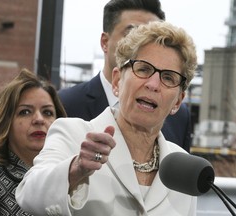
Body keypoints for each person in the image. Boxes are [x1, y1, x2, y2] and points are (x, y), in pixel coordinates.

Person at [16, 21, 197, 215]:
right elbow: (29, 194)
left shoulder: (184, 168)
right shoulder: (73, 134)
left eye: (168, 77)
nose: (153, 84)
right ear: (118, 81)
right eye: (143, 69)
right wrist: (76, 169)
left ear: (178, 101)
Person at [58, 0, 192, 152]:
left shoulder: (179, 117)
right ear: (105, 42)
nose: (142, 42)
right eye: (132, 33)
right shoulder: (65, 104)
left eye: (152, 36)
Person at [0, 69, 67, 215]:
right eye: (25, 112)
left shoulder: (69, 174)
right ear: (6, 122)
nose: (39, 119)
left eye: (47, 112)